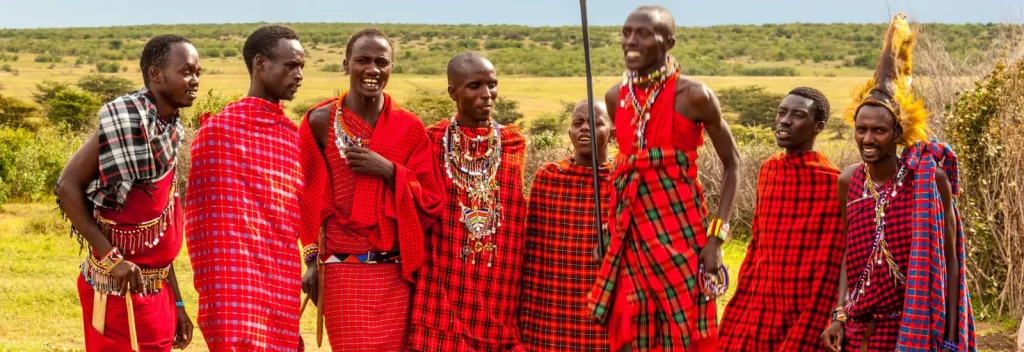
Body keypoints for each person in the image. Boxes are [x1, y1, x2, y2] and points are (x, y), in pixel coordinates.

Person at [586, 5, 743, 351]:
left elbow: (734, 164)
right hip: (629, 234)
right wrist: (609, 231)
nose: (631, 41)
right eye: (626, 33)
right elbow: (622, 171)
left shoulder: (695, 95)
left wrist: (716, 239)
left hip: (682, 231)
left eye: (643, 34)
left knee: (684, 327)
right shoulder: (615, 98)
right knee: (628, 322)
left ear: (668, 42)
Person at [819, 14, 977, 352]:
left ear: (897, 134)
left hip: (913, 326)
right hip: (861, 331)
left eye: (879, 130)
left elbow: (948, 260)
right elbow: (850, 253)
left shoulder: (928, 180)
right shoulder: (850, 180)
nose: (868, 138)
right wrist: (839, 315)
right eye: (861, 129)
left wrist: (949, 338)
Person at [297, 28, 444, 351]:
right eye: (363, 60)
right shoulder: (318, 122)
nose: (372, 69)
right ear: (346, 63)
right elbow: (307, 196)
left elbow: (431, 199)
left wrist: (390, 172)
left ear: (391, 68)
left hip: (395, 272)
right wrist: (310, 261)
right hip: (341, 271)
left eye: (382, 62)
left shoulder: (409, 127)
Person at [55, 34, 199, 351]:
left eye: (198, 73)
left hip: (157, 292)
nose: (195, 81)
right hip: (116, 290)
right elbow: (66, 186)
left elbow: (161, 221)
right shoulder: (124, 122)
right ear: (156, 74)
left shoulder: (171, 130)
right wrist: (111, 257)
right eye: (186, 71)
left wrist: (177, 303)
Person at [185, 24, 307, 351]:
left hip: (281, 276)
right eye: (290, 65)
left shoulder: (292, 136)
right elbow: (201, 222)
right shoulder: (219, 133)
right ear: (260, 64)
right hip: (230, 280)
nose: (298, 75)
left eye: (302, 67)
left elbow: (299, 211)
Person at [408, 52, 528, 351]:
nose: (487, 94)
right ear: (453, 92)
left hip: (499, 285)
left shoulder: (513, 143)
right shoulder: (432, 140)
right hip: (445, 282)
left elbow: (516, 214)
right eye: (475, 86)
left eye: (492, 84)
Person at [717, 87, 844, 351]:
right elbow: (759, 238)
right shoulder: (769, 170)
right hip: (762, 292)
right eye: (782, 112)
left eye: (798, 115)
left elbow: (837, 252)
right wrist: (747, 288)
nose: (785, 120)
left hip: (806, 298)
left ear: (818, 126)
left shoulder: (833, 181)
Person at [519, 99, 612, 351]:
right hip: (551, 308)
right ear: (569, 132)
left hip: (605, 305)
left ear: (611, 132)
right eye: (578, 123)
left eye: (596, 123)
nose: (585, 128)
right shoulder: (548, 178)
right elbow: (531, 247)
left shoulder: (624, 180)